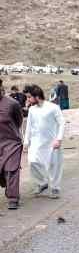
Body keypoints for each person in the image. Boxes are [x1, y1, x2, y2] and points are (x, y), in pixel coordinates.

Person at [23, 84, 65, 199]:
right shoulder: (32, 109)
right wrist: (26, 142)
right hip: (36, 142)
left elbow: (61, 123)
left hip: (52, 142)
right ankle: (42, 183)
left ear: (37, 96)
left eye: (29, 97)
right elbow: (29, 127)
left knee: (54, 166)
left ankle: (55, 188)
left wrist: (59, 139)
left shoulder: (53, 107)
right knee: (32, 162)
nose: (28, 100)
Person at [0, 79, 24, 210]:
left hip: (11, 142)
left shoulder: (12, 104)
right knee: (3, 172)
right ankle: (9, 189)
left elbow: (19, 121)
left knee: (12, 169)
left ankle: (13, 198)